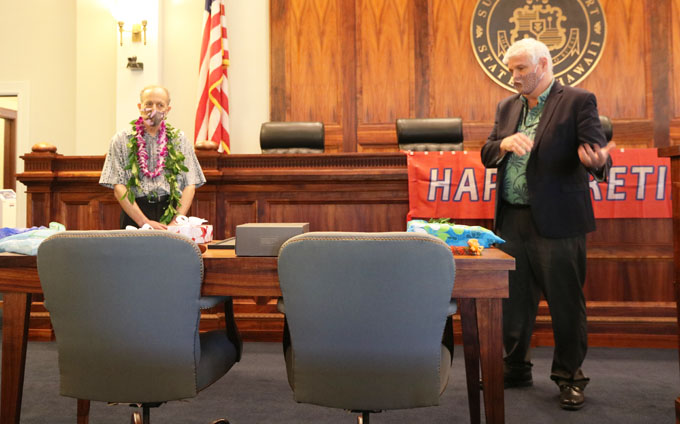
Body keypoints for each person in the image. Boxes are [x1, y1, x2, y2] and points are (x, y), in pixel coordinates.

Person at [480, 38, 615, 410]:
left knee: (565, 303)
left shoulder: (577, 101)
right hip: (511, 219)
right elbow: (487, 152)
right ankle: (515, 366)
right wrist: (504, 144)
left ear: (542, 64)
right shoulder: (507, 107)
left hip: (558, 222)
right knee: (513, 302)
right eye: (511, 70)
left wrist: (597, 161)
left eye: (521, 69)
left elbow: (597, 152)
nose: (514, 77)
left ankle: (570, 376)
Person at [100, 85, 206, 229]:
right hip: (135, 213)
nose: (153, 109)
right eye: (148, 103)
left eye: (160, 105)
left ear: (168, 110)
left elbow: (190, 184)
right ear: (140, 106)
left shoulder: (179, 140)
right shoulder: (121, 140)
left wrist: (176, 222)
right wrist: (144, 222)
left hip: (170, 212)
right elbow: (119, 187)